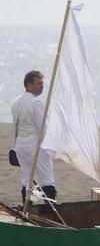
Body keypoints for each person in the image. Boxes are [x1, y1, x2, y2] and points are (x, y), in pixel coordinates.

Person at [10, 70, 57, 202]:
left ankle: (28, 206)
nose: (42, 86)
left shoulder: (15, 102)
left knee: (26, 179)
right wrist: (49, 147)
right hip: (34, 145)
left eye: (42, 83)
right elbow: (42, 128)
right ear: (29, 84)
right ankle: (49, 209)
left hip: (20, 145)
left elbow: (17, 126)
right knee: (47, 179)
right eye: (39, 83)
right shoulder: (35, 102)